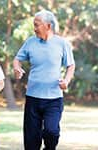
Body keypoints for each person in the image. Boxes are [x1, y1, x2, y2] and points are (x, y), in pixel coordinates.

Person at [13, 10, 75, 150]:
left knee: (51, 132)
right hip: (33, 98)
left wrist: (66, 81)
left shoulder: (62, 44)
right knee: (31, 140)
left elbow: (70, 65)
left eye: (37, 25)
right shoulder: (30, 42)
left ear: (48, 26)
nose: (34, 28)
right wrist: (17, 68)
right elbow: (17, 59)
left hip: (53, 99)